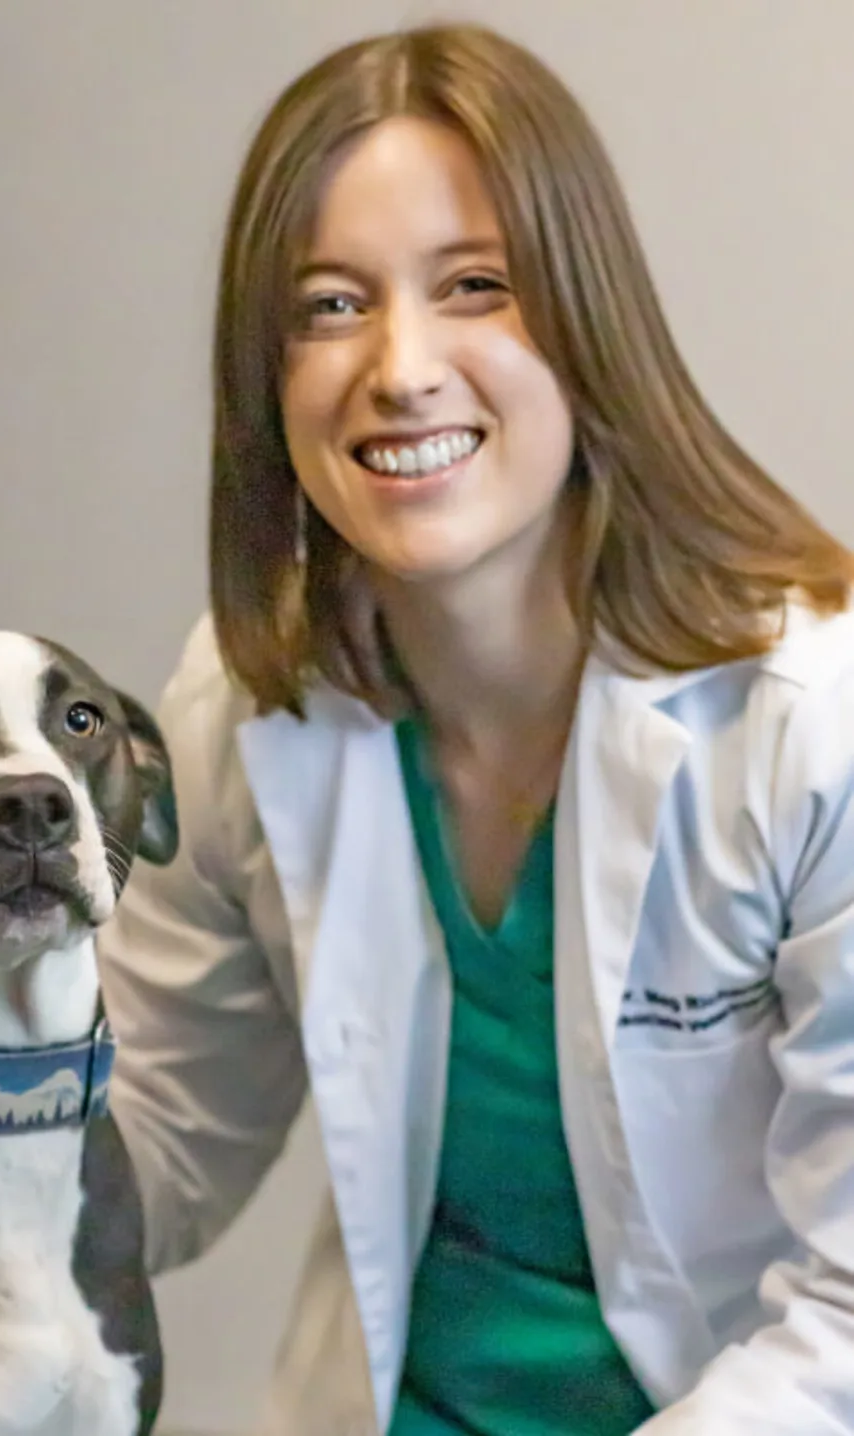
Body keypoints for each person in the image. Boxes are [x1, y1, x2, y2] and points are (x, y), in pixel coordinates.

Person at [98, 22, 854, 1436]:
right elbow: (151, 1158)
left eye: (474, 288)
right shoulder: (245, 698)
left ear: (586, 319)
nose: (399, 369)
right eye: (328, 306)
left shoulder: (814, 722)